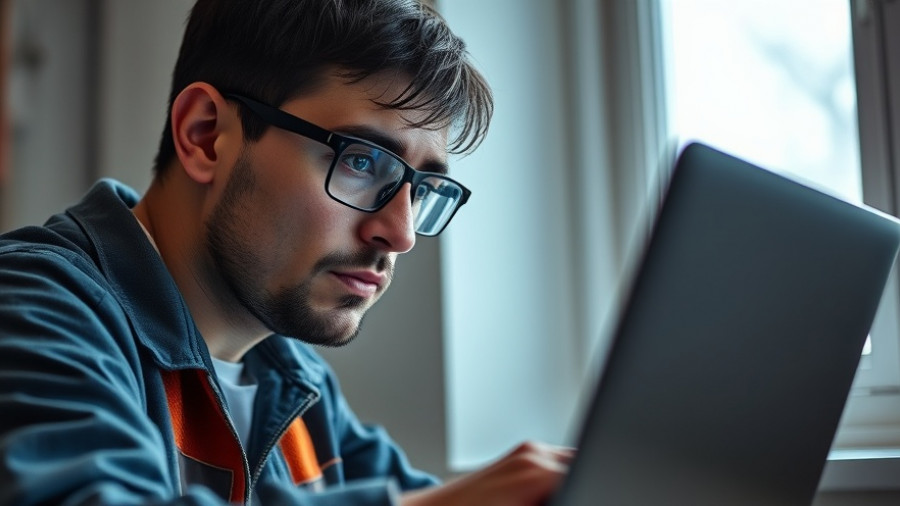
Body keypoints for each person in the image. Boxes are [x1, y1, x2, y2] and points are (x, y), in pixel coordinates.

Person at [0, 0, 572, 504]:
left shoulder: (296, 385)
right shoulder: (30, 309)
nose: (399, 234)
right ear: (205, 136)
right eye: (361, 161)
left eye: (421, 190)